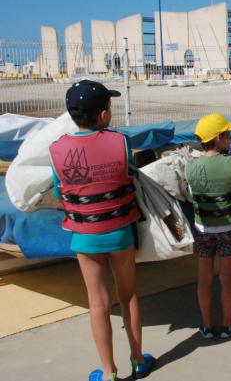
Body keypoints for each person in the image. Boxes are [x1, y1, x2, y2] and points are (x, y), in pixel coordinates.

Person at [49, 80, 155, 381]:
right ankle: (138, 360)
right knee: (129, 294)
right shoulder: (120, 142)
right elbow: (128, 174)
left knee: (97, 303)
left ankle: (108, 372)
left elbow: (60, 191)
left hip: (84, 234)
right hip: (120, 230)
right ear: (104, 115)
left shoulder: (57, 149)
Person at [185, 113, 231, 338]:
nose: (230, 137)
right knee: (227, 278)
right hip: (227, 227)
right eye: (227, 134)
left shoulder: (191, 167)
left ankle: (207, 325)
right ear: (219, 137)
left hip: (203, 229)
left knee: (205, 277)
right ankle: (227, 324)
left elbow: (191, 195)